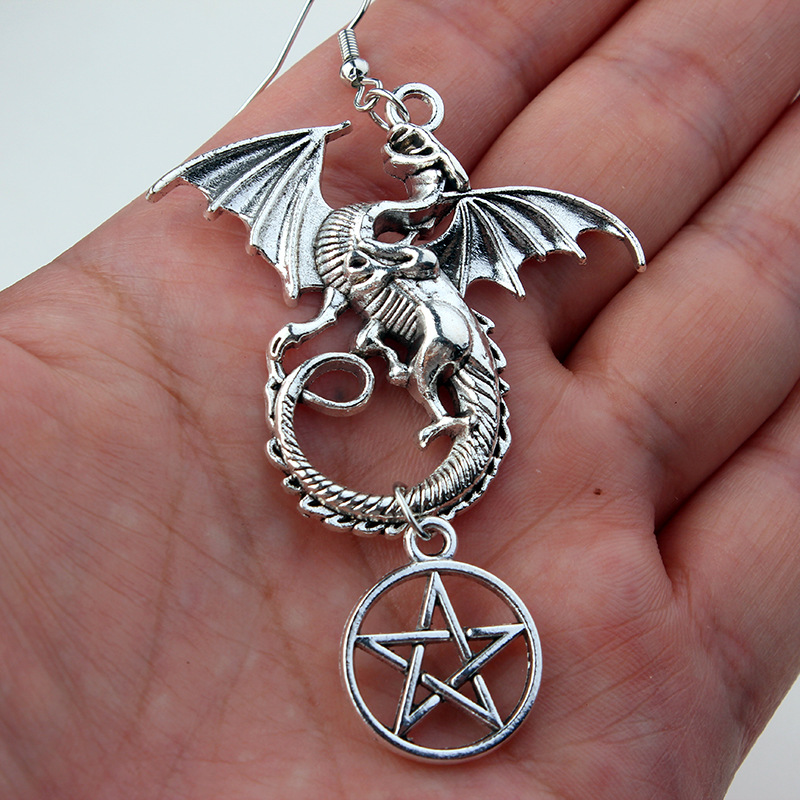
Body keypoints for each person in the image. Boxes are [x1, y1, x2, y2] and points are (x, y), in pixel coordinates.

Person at [1, 0, 798, 796]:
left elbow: (401, 280)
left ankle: (448, 409)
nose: (410, 175)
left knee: (433, 363)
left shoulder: (427, 246)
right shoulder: (342, 225)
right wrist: (314, 330)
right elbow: (339, 298)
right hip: (383, 326)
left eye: (418, 173)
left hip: (431, 339)